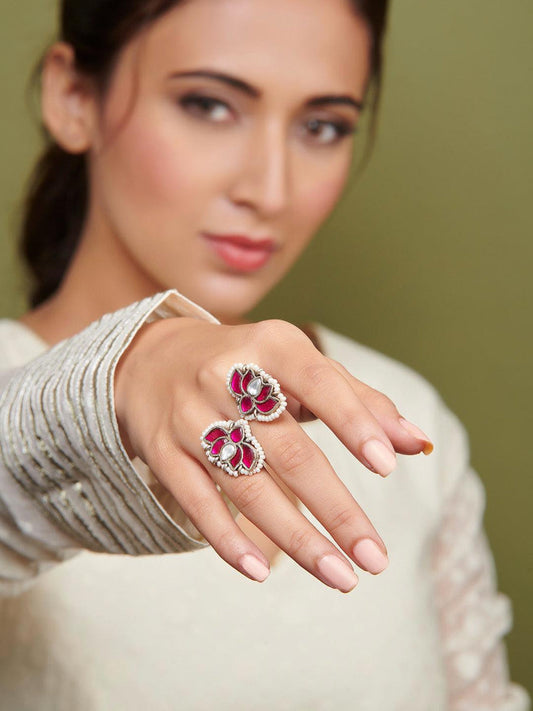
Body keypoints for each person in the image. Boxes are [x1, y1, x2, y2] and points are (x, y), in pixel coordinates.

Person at [0, 0, 529, 708]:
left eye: (322, 126)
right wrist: (121, 373)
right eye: (209, 105)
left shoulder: (399, 416)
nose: (270, 189)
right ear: (73, 98)